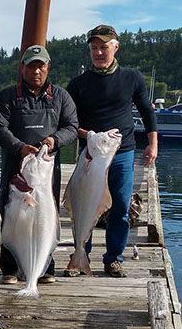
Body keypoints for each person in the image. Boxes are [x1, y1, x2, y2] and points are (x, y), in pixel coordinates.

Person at [65, 24, 158, 277]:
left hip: (122, 153)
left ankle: (113, 258)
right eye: (94, 48)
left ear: (115, 47)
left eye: (104, 47)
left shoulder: (132, 78)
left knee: (119, 208)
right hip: (90, 155)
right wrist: (90, 136)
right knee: (84, 206)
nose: (98, 52)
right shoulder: (78, 84)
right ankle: (80, 254)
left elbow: (147, 111)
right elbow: (70, 122)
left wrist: (153, 142)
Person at [0, 45, 78, 284]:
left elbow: (71, 127)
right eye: (31, 65)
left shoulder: (61, 96)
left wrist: (54, 140)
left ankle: (45, 267)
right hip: (15, 167)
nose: (36, 70)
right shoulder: (9, 96)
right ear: (23, 68)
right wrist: (20, 147)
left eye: (40, 65)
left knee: (45, 217)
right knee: (12, 215)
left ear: (48, 67)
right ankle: (10, 268)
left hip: (47, 169)